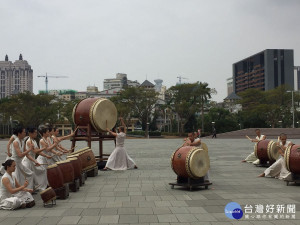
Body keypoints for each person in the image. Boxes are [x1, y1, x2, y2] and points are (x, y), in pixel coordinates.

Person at [22, 127, 48, 191]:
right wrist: (44, 148)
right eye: (35, 133)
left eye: (36, 132)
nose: (36, 134)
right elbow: (35, 151)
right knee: (29, 176)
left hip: (32, 160)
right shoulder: (29, 141)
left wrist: (46, 155)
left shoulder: (33, 140)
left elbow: (38, 151)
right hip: (28, 161)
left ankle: (37, 187)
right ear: (30, 133)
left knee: (42, 170)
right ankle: (31, 189)